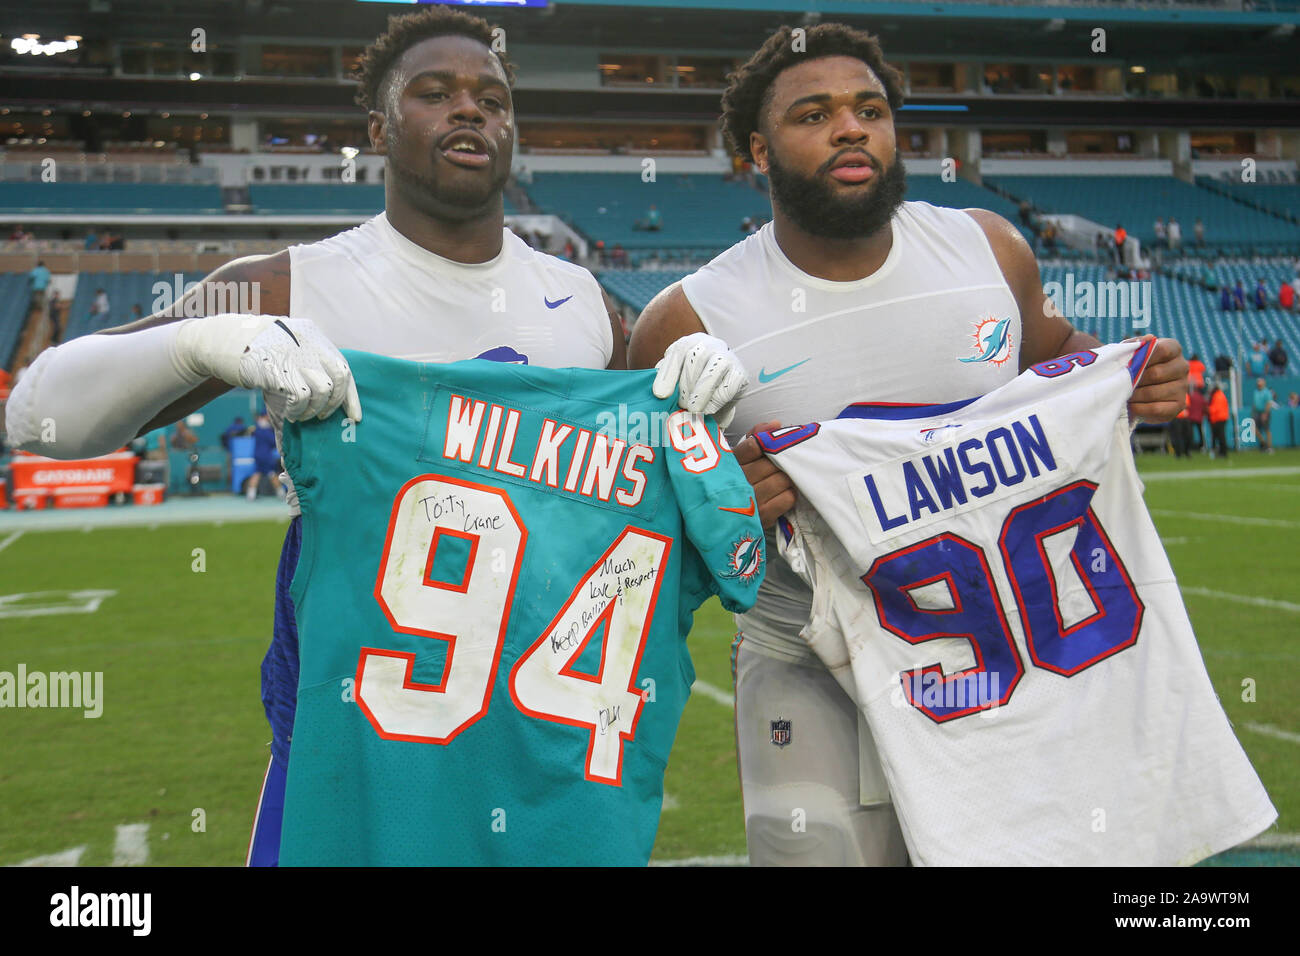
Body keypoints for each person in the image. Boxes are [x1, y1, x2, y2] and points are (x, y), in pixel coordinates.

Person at [4, 5, 730, 869]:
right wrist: (199, 340)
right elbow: (37, 417)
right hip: (356, 742)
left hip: (544, 750)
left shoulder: (579, 302)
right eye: (436, 93)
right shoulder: (294, 281)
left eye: (492, 98)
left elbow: (645, 500)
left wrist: (691, 396)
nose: (471, 110)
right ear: (380, 128)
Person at [627, 21, 1191, 867]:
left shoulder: (987, 248)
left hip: (1008, 655)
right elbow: (650, 534)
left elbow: (1060, 359)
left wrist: (1139, 380)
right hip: (808, 669)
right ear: (756, 150)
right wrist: (728, 502)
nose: (850, 128)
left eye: (870, 110)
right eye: (812, 114)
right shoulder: (688, 319)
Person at [246, 411, 285, 500]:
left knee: (257, 473)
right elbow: (274, 442)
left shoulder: (257, 429)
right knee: (272, 473)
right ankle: (281, 494)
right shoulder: (266, 429)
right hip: (265, 456)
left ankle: (250, 495)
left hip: (257, 455)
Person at [1208, 379, 1230, 458]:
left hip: (1219, 418)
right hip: (1221, 417)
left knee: (1220, 436)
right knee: (1220, 436)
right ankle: (1222, 452)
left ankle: (1223, 452)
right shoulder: (1220, 395)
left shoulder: (1218, 396)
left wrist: (1208, 410)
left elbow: (1215, 408)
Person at [1252, 377, 1276, 453]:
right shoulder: (1255, 391)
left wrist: (1265, 413)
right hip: (1257, 412)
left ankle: (1269, 447)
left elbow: (1269, 403)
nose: (1259, 384)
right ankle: (1263, 443)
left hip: (1264, 412)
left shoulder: (1266, 392)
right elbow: (1255, 403)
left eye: (1260, 383)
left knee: (1266, 429)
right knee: (1254, 428)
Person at [1186, 380, 1207, 452]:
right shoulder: (1201, 397)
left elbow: (1188, 406)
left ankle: (1190, 446)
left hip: (1191, 417)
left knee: (1190, 433)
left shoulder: (1191, 396)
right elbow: (1204, 407)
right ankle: (1202, 445)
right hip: (1199, 417)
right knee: (1200, 432)